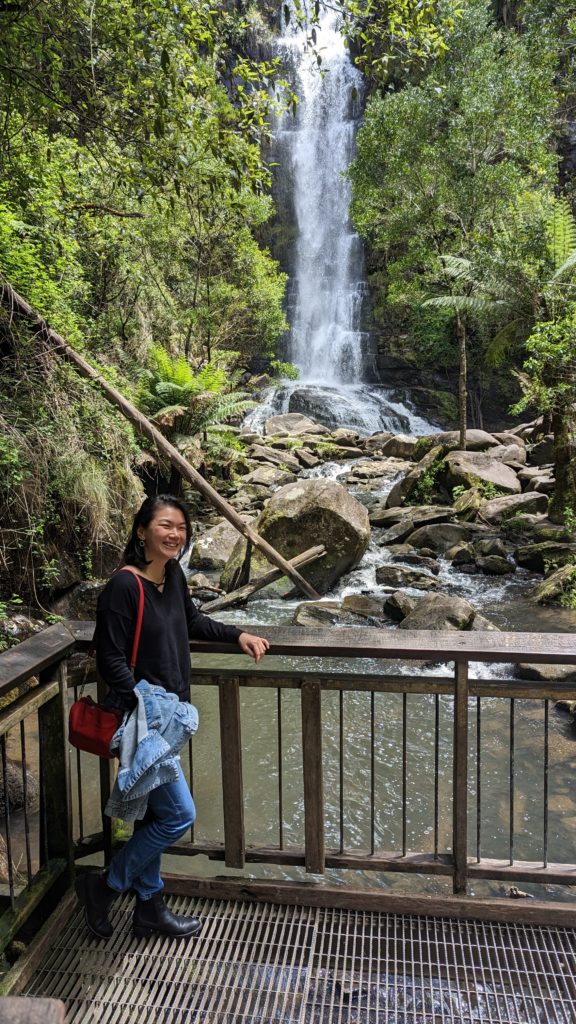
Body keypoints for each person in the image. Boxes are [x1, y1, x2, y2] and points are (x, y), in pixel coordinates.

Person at [76, 494, 269, 941]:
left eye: (181, 527)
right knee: (178, 815)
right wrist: (144, 701)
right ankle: (103, 887)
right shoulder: (124, 587)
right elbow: (110, 660)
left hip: (170, 718)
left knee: (152, 815)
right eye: (165, 525)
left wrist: (237, 635)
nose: (175, 534)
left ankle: (150, 908)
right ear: (141, 530)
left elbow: (193, 622)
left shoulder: (173, 575)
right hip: (144, 724)